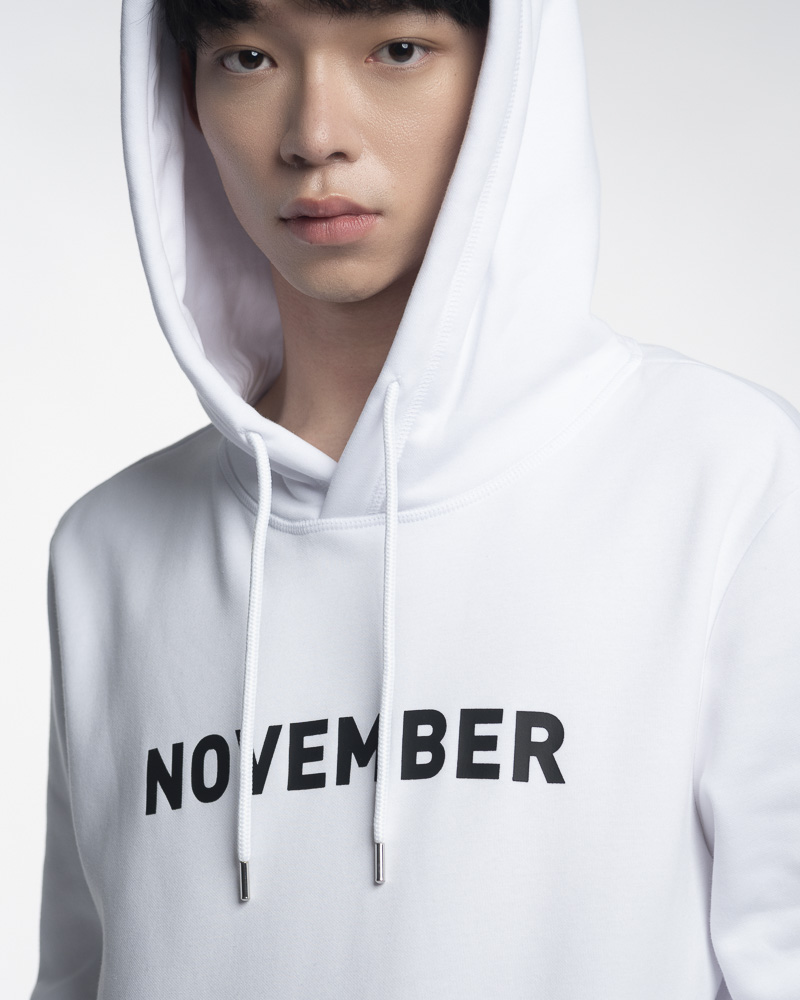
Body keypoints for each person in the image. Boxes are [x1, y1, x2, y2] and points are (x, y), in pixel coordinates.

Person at [31, 0, 800, 996]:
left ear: (509, 71)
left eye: (396, 50)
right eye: (249, 57)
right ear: (182, 94)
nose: (315, 136)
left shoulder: (727, 478)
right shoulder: (108, 550)